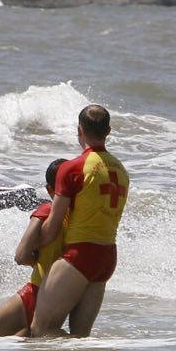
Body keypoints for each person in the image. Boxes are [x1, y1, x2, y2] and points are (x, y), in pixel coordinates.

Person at [30, 104, 129, 338]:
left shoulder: (72, 168)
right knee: (81, 336)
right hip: (107, 258)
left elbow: (53, 226)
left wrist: (34, 250)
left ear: (79, 130)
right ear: (109, 131)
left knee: (41, 329)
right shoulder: (121, 170)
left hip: (80, 255)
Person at [0, 158, 67, 340]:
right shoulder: (81, 218)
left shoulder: (47, 210)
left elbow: (20, 255)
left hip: (35, 293)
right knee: (23, 342)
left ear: (49, 189)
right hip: (58, 300)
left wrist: (36, 261)